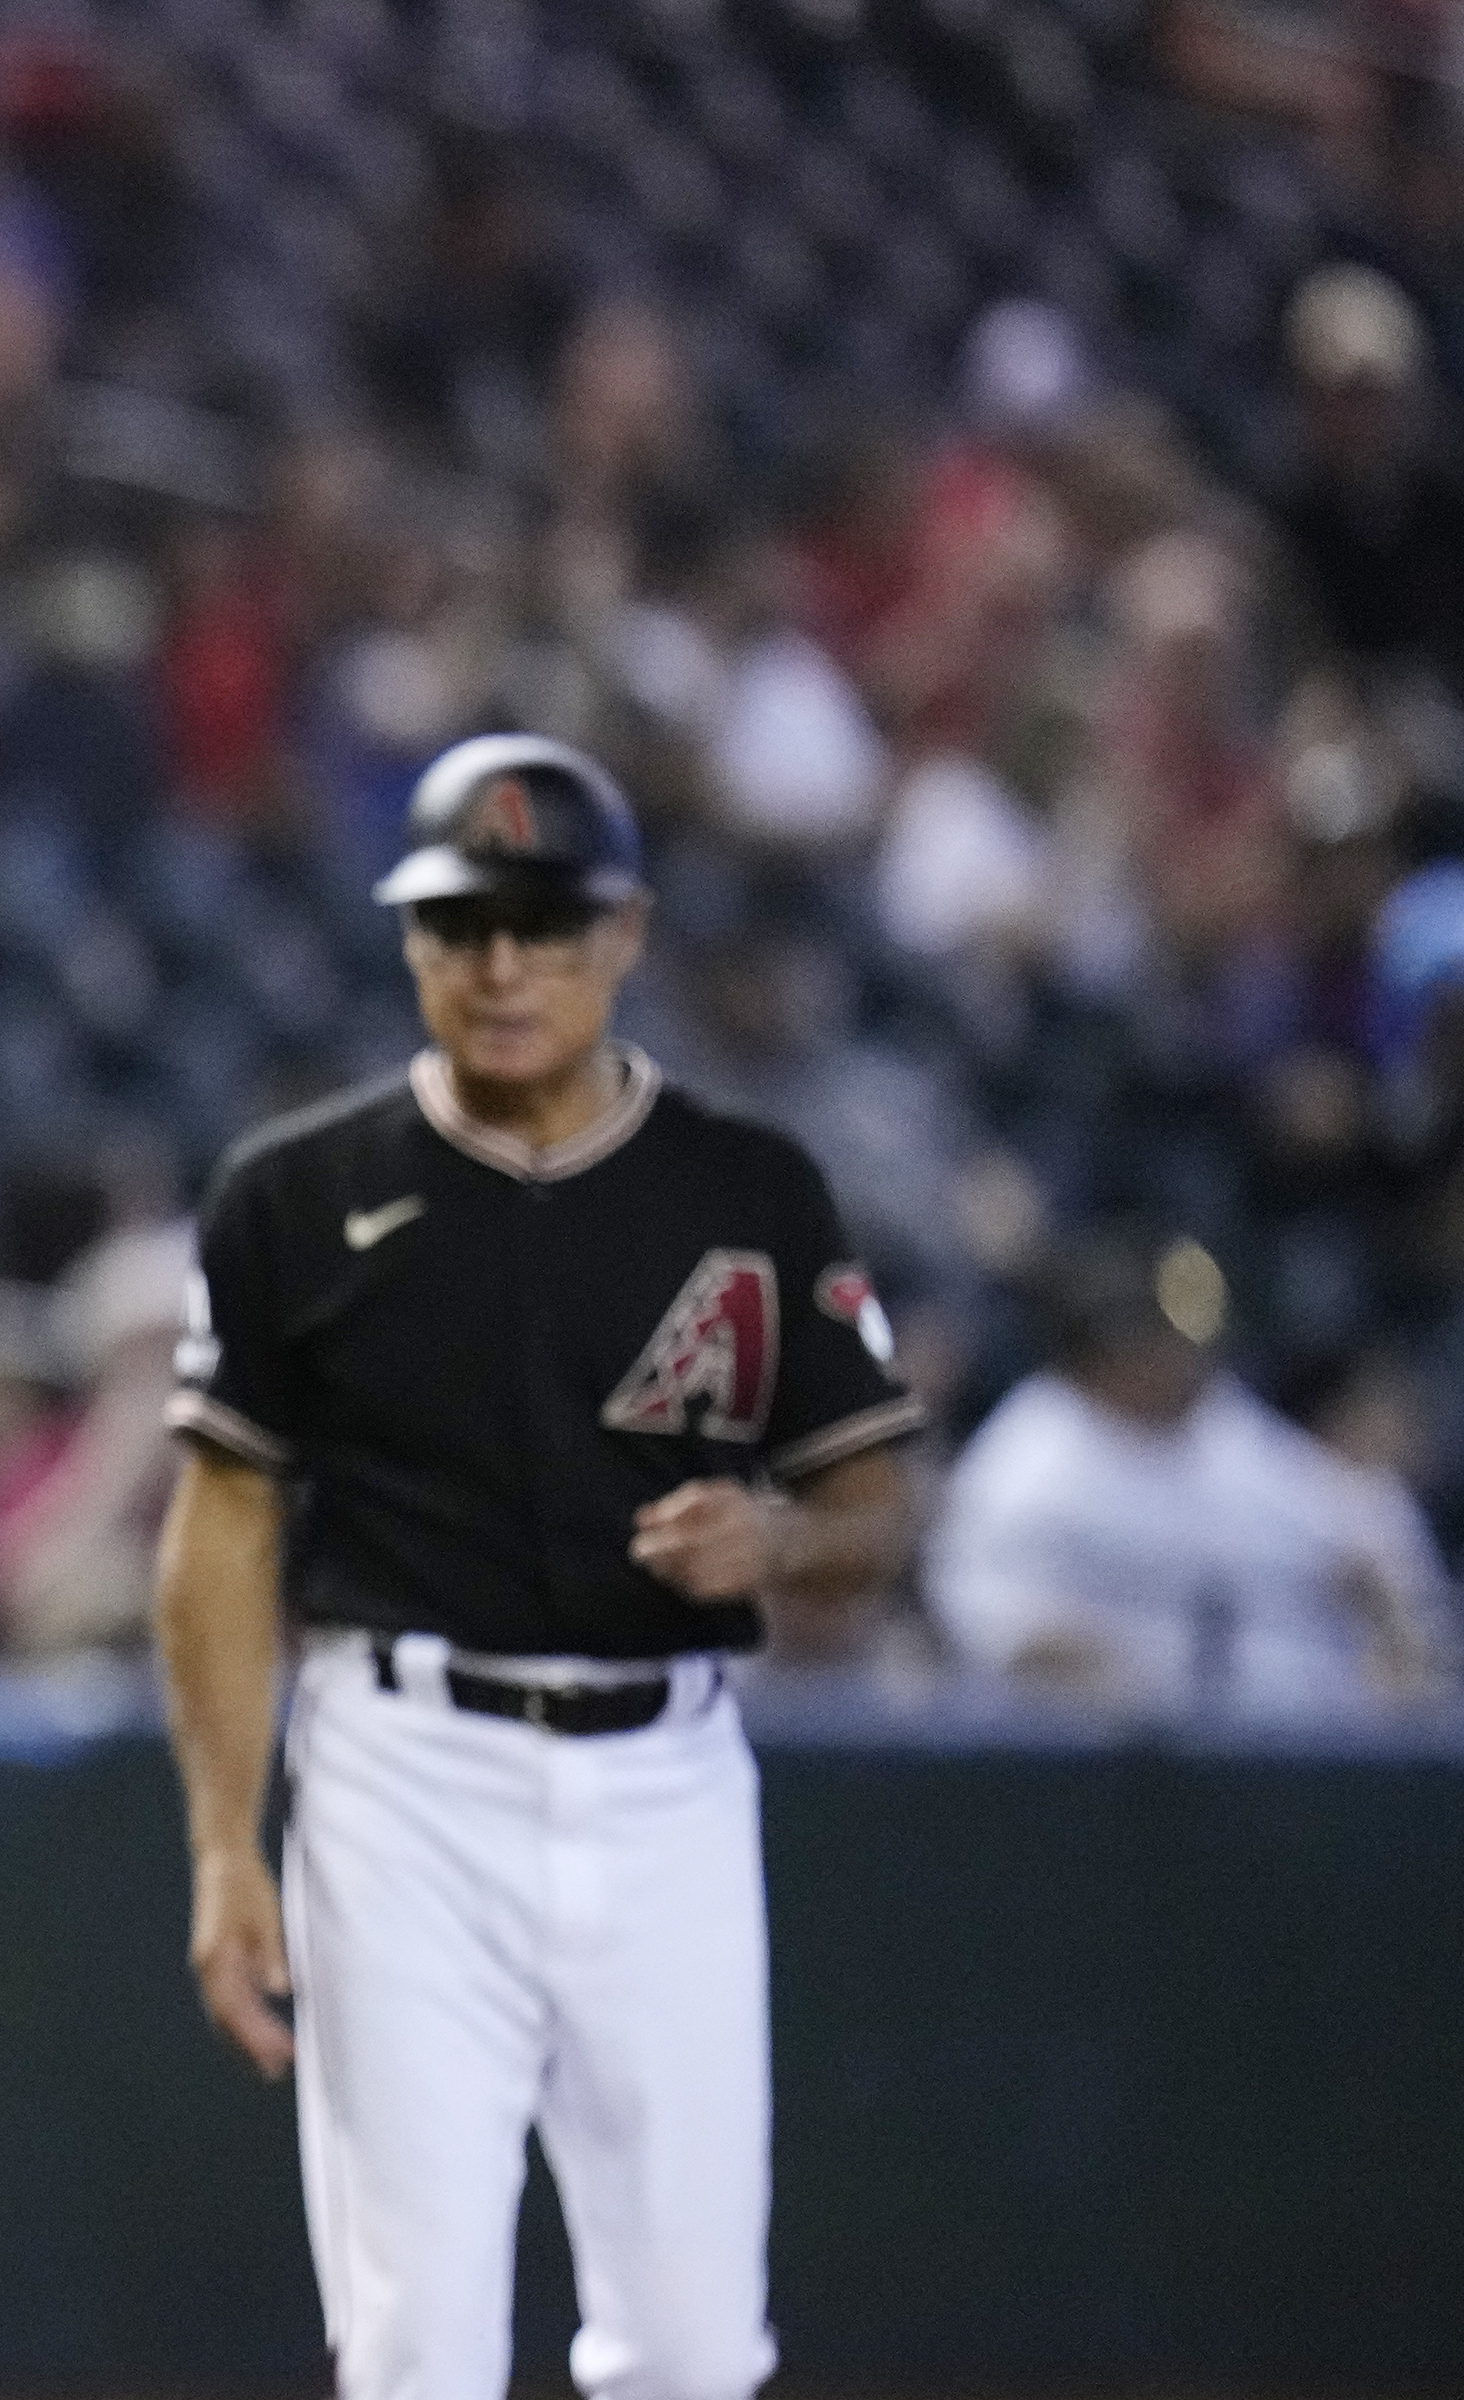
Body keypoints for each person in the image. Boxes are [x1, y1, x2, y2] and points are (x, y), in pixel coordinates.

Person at [151, 733, 924, 2400]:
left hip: (670, 1777)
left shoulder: (747, 1187)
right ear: (414, 943)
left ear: (624, 935)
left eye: (544, 927)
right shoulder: (299, 1193)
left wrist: (784, 1537)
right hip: (399, 1773)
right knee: (418, 2341)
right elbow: (217, 1525)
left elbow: (879, 1506)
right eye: (462, 926)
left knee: (696, 2350)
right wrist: (227, 1845)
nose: (502, 966)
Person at [926, 1233, 1453, 1719]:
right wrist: (1131, 1689)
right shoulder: (1027, 1462)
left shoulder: (1222, 1424)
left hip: (1291, 1757)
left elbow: (1361, 1536)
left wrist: (1391, 1630)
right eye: (1167, 1338)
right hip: (1107, 1774)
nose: (1191, 1357)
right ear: (1112, 1346)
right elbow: (991, 1628)